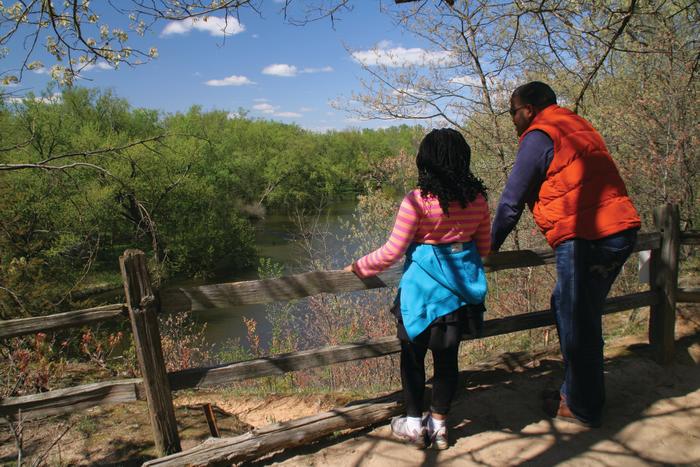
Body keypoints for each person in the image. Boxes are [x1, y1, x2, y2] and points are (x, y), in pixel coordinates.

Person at [491, 81, 641, 427]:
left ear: (528, 109)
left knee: (578, 324)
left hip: (586, 237)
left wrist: (489, 246)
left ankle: (582, 406)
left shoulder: (539, 135)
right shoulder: (577, 125)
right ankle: (574, 393)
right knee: (569, 308)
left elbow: (511, 201)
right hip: (620, 232)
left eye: (512, 111)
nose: (511, 119)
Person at [345, 128, 491, 449]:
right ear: (462, 160)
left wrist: (358, 267)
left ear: (425, 162)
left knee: (412, 360)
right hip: (455, 301)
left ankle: (413, 425)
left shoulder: (417, 201)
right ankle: (438, 426)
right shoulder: (477, 200)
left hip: (419, 299)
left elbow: (391, 252)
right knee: (447, 362)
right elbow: (483, 249)